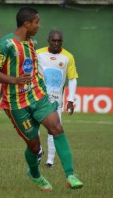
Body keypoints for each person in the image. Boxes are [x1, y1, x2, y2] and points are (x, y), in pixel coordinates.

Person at [0, 7, 83, 191]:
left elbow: (32, 69)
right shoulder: (6, 44)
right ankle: (34, 173)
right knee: (34, 146)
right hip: (16, 103)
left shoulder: (31, 43)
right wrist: (14, 80)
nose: (39, 25)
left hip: (37, 96)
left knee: (57, 127)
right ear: (27, 23)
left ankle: (70, 175)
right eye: (37, 22)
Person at [36, 30, 78, 168]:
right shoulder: (38, 54)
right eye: (53, 41)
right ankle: (38, 151)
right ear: (48, 40)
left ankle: (50, 161)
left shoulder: (68, 57)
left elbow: (72, 79)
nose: (56, 43)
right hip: (38, 98)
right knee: (33, 127)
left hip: (56, 101)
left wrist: (70, 100)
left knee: (53, 130)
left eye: (59, 41)